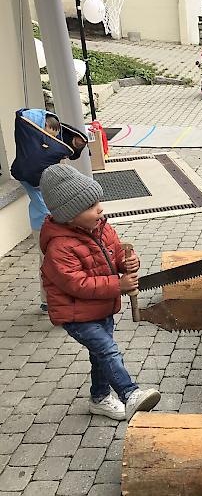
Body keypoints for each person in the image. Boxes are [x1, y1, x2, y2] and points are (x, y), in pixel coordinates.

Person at [39, 164, 161, 421]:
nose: (100, 209)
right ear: (70, 216)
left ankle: (100, 398)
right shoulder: (59, 248)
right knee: (107, 351)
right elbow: (78, 284)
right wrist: (119, 285)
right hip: (76, 316)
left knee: (99, 356)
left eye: (98, 201)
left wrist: (128, 263)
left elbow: (116, 253)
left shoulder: (101, 228)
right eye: (91, 206)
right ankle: (130, 394)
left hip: (100, 309)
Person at [10, 109, 88, 312]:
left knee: (53, 262)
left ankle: (51, 300)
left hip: (50, 220)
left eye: (55, 133)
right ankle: (55, 302)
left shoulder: (43, 157)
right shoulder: (28, 165)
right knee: (51, 264)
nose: (53, 137)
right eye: (49, 131)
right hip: (45, 222)